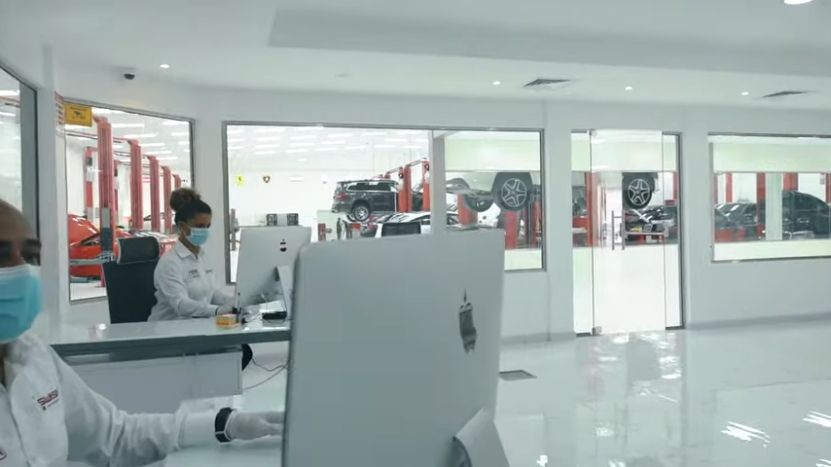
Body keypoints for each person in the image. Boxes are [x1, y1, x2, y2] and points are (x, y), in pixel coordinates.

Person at [0, 199, 283, 466]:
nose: (20, 270)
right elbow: (180, 304)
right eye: (1, 254)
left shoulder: (34, 358)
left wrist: (224, 424)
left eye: (29, 256)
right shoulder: (170, 263)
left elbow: (114, 436)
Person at [147, 188, 253, 369]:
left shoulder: (201, 256)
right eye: (199, 226)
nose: (204, 231)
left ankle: (214, 392)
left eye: (207, 226)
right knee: (238, 352)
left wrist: (238, 300)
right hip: (171, 330)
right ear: (182, 227)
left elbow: (213, 293)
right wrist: (219, 311)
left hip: (198, 327)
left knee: (241, 350)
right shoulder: (170, 263)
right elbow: (180, 305)